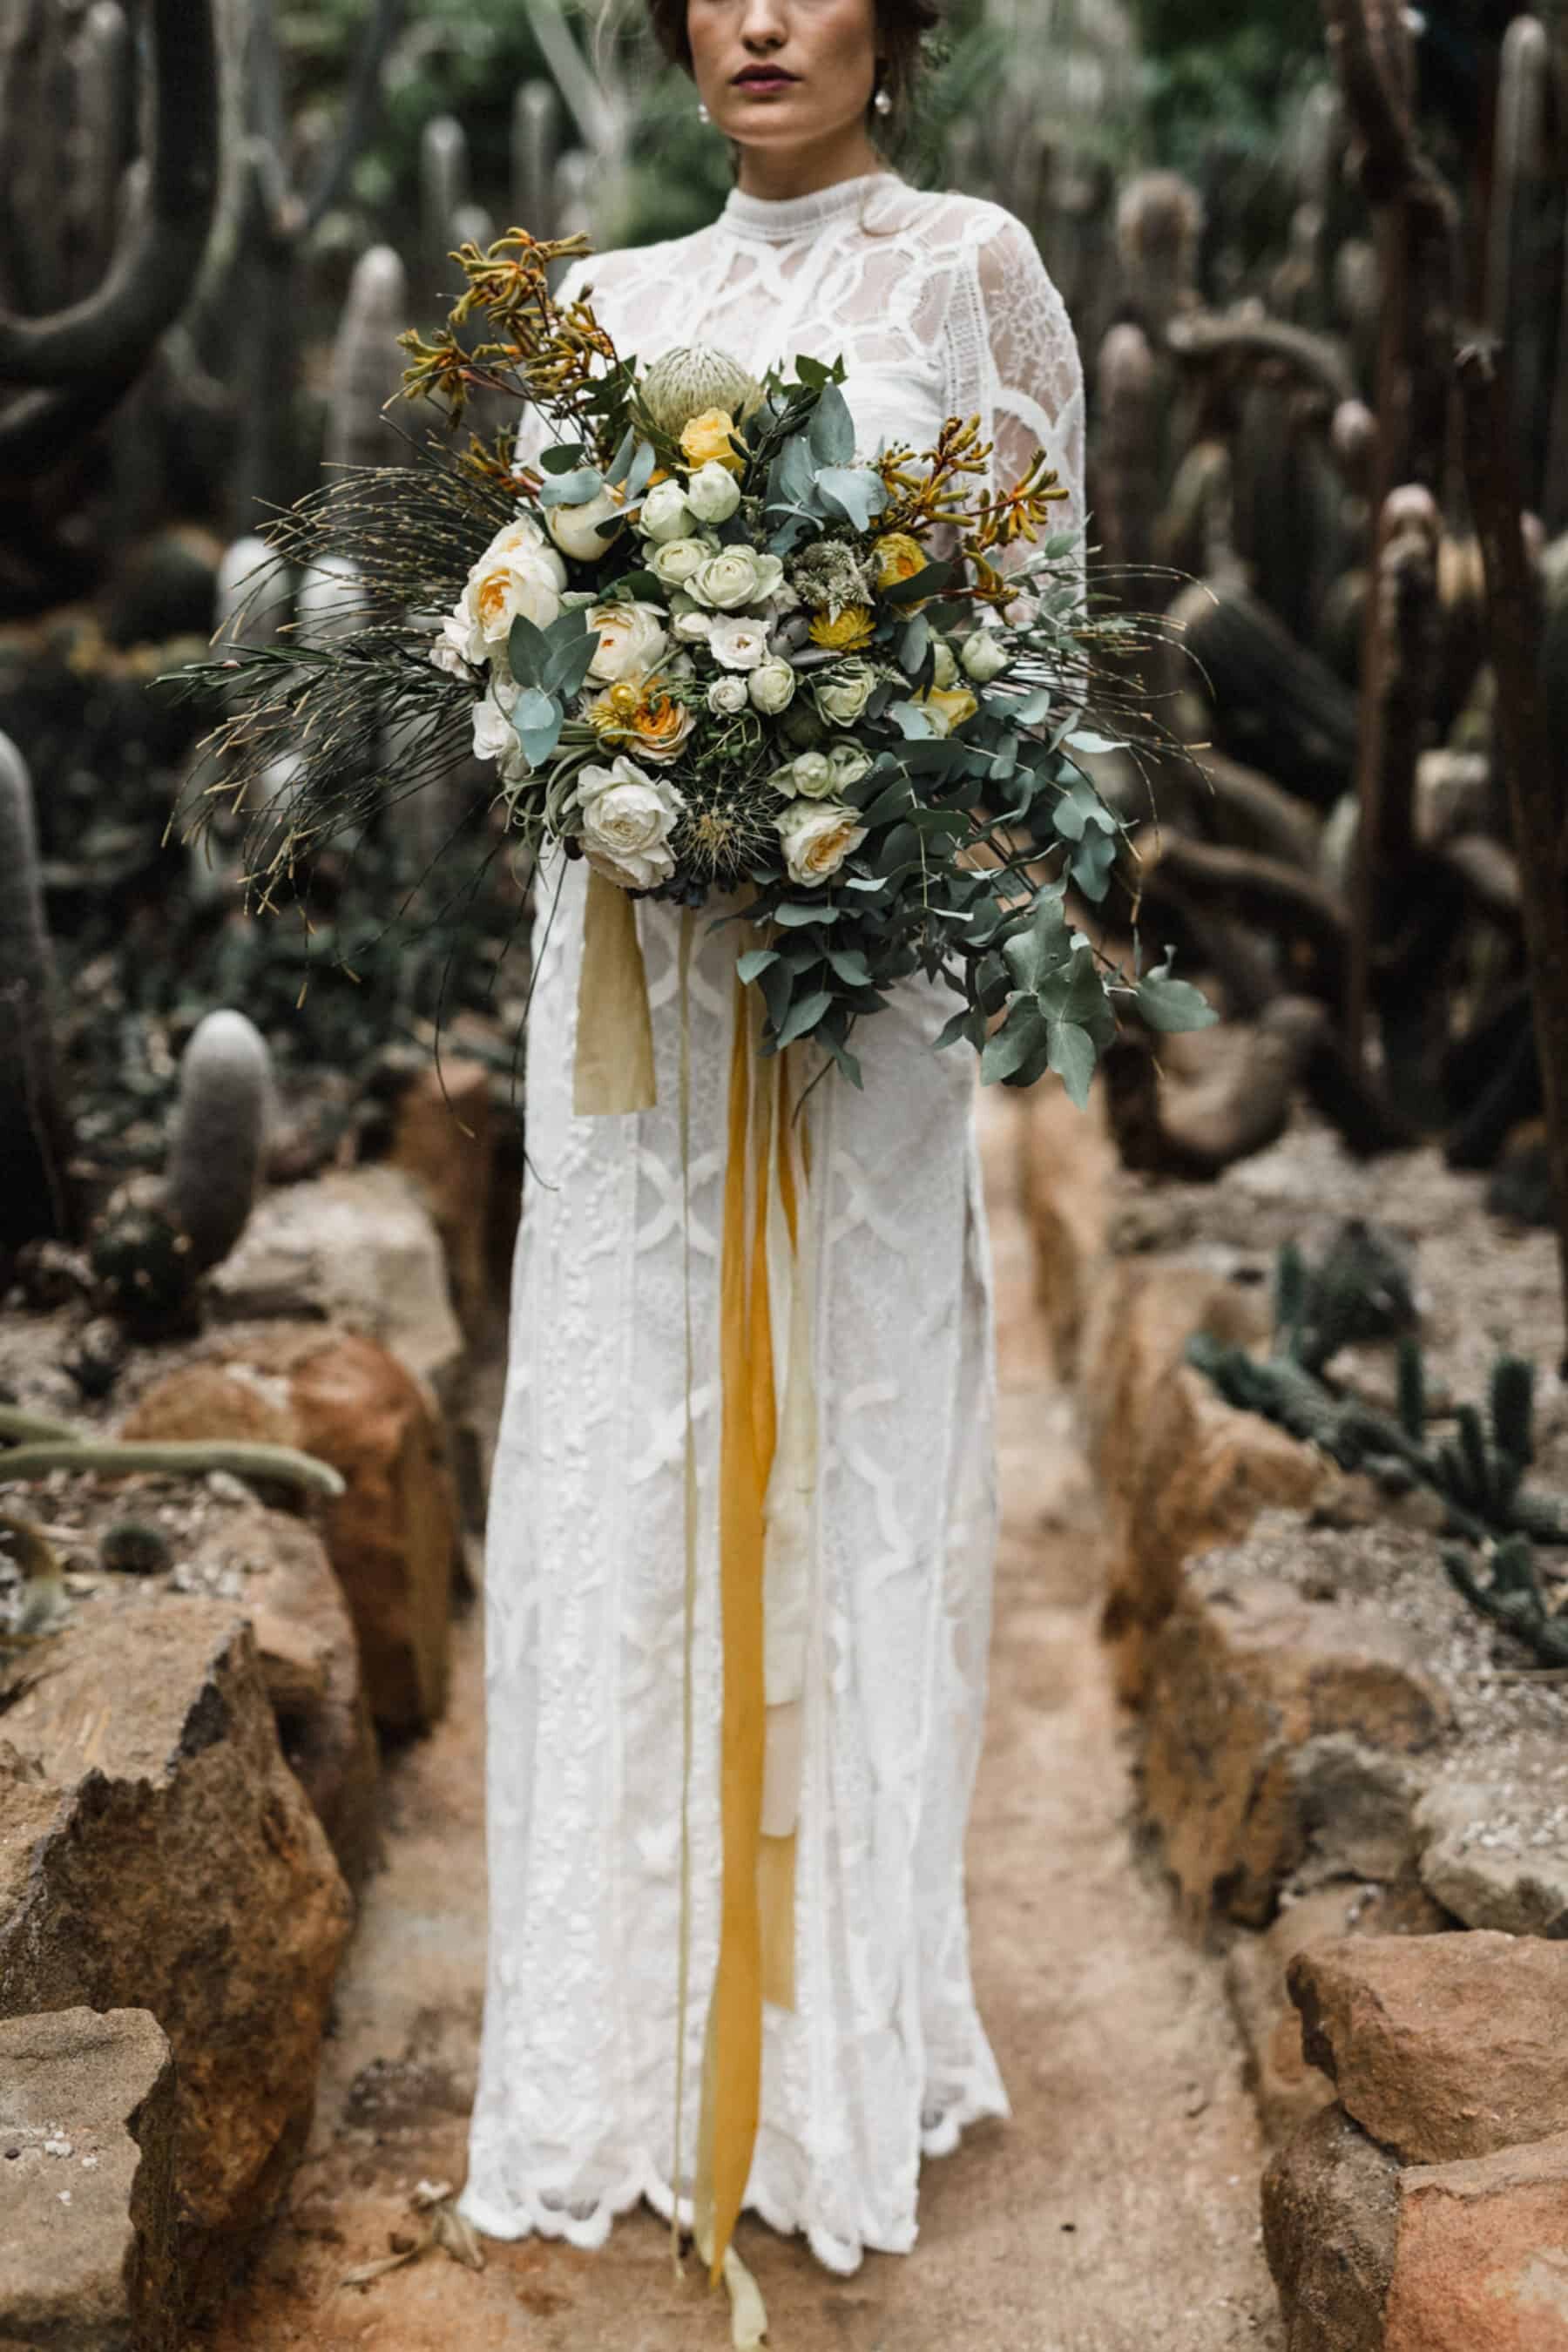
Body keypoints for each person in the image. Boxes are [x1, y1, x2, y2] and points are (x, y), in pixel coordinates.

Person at [459, 0, 1086, 2287]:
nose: (758, 17)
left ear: (895, 24)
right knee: (630, 1434)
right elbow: (526, 661)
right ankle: (622, 2050)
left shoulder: (972, 274)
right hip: (634, 991)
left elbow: (1030, 660)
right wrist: (639, 756)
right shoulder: (604, 309)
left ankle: (828, 2047)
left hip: (861, 995)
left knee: (841, 1427)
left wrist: (828, 750)